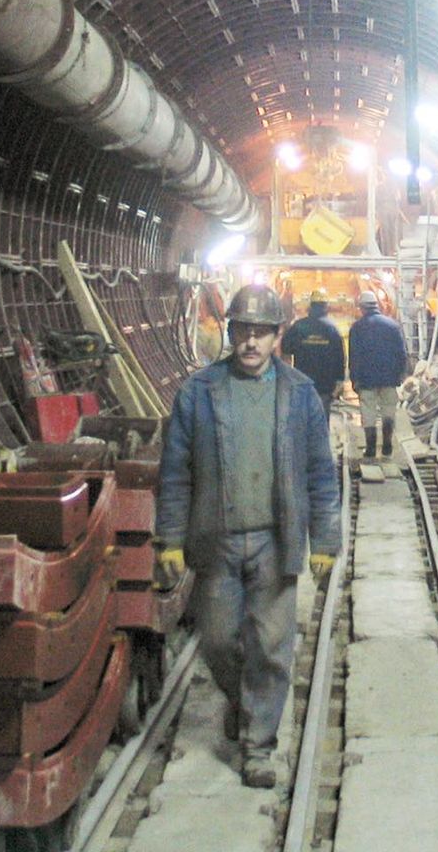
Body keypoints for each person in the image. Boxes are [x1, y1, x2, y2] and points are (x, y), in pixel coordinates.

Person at [155, 283, 341, 788]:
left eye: (262, 332)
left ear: (279, 336)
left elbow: (322, 474)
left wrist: (325, 541)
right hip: (216, 540)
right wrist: (168, 538)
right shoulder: (198, 392)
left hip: (274, 541)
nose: (252, 342)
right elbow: (175, 472)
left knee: (272, 646)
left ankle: (259, 745)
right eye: (243, 331)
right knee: (217, 641)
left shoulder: (300, 393)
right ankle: (243, 703)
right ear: (230, 333)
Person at [347, 289, 408, 459]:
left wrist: (354, 379)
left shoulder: (357, 328)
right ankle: (387, 445)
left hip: (366, 379)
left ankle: (371, 448)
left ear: (361, 308)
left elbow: (354, 356)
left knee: (368, 412)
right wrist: (400, 375)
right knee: (389, 411)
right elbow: (402, 354)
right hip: (389, 378)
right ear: (377, 305)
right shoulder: (393, 326)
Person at [280, 287, 346, 418]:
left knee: (302, 421)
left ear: (310, 306)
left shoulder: (298, 326)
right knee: (321, 420)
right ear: (326, 307)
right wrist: (339, 381)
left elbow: (286, 350)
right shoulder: (332, 329)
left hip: (302, 383)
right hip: (325, 385)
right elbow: (340, 358)